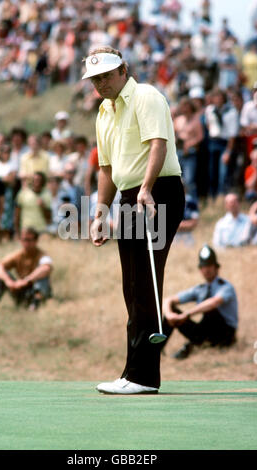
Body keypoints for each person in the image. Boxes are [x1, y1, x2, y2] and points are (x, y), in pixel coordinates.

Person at [84, 46, 185, 394]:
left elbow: (158, 143)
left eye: (105, 76)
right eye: (94, 78)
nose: (100, 83)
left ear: (123, 70)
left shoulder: (146, 96)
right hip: (131, 196)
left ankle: (144, 378)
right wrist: (100, 213)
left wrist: (146, 187)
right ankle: (133, 372)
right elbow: (107, 169)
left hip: (159, 193)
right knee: (131, 286)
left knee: (145, 283)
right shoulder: (103, 112)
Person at [162, 245, 238, 359]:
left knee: (211, 313)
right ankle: (156, 350)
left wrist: (186, 314)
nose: (206, 269)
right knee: (172, 310)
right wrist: (169, 315)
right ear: (200, 269)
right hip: (205, 333)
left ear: (216, 267)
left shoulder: (226, 287)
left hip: (224, 333)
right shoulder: (199, 289)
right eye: (203, 266)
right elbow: (168, 300)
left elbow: (214, 303)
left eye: (209, 265)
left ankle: (192, 345)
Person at [0, 227, 53, 316]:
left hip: (35, 291)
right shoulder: (17, 255)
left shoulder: (42, 255)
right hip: (21, 291)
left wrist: (27, 280)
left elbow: (46, 268)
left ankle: (35, 306)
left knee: (43, 278)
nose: (26, 243)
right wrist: (9, 281)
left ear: (36, 241)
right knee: (1, 277)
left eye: (29, 240)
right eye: (24, 240)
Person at [14, 171, 52, 237]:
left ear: (43, 182)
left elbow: (49, 218)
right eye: (35, 180)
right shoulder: (23, 193)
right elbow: (17, 213)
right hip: (26, 229)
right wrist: (17, 232)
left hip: (41, 230)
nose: (37, 182)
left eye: (39, 180)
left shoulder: (47, 195)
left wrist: (43, 207)